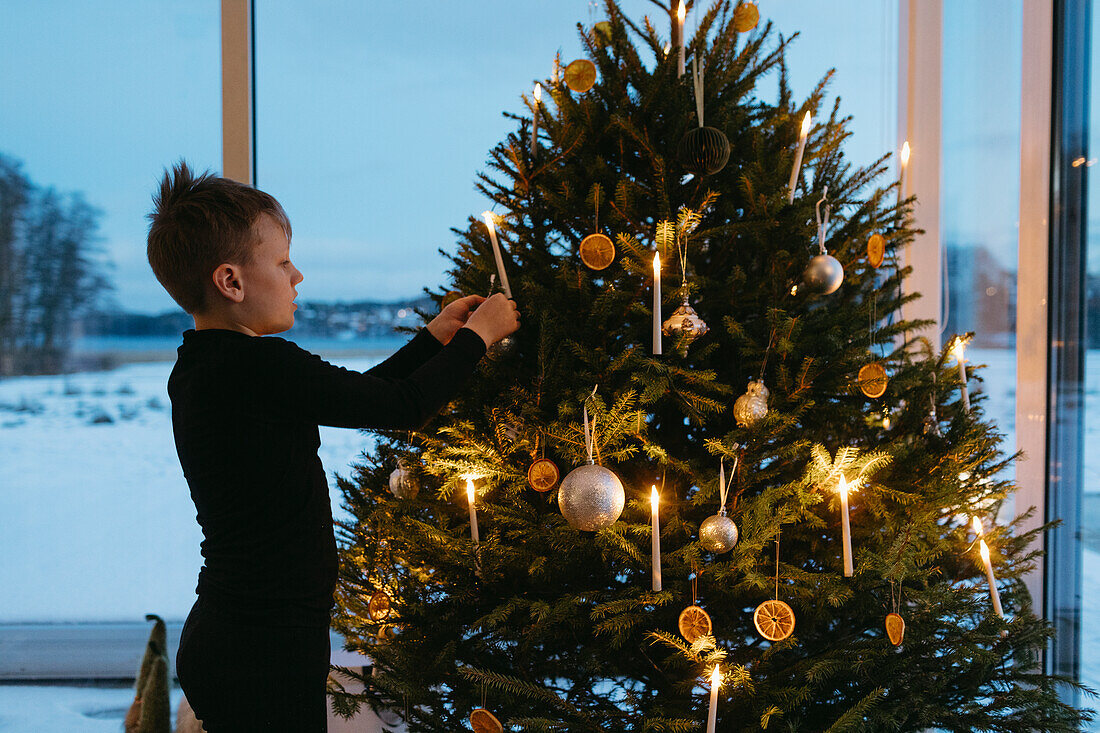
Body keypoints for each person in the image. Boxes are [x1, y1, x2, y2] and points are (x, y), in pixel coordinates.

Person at [145, 161, 519, 731]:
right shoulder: (260, 367)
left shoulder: (208, 367)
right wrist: (477, 338)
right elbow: (402, 408)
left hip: (238, 635)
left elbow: (369, 396)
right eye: (282, 261)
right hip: (263, 646)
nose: (297, 277)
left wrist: (433, 340)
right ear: (232, 282)